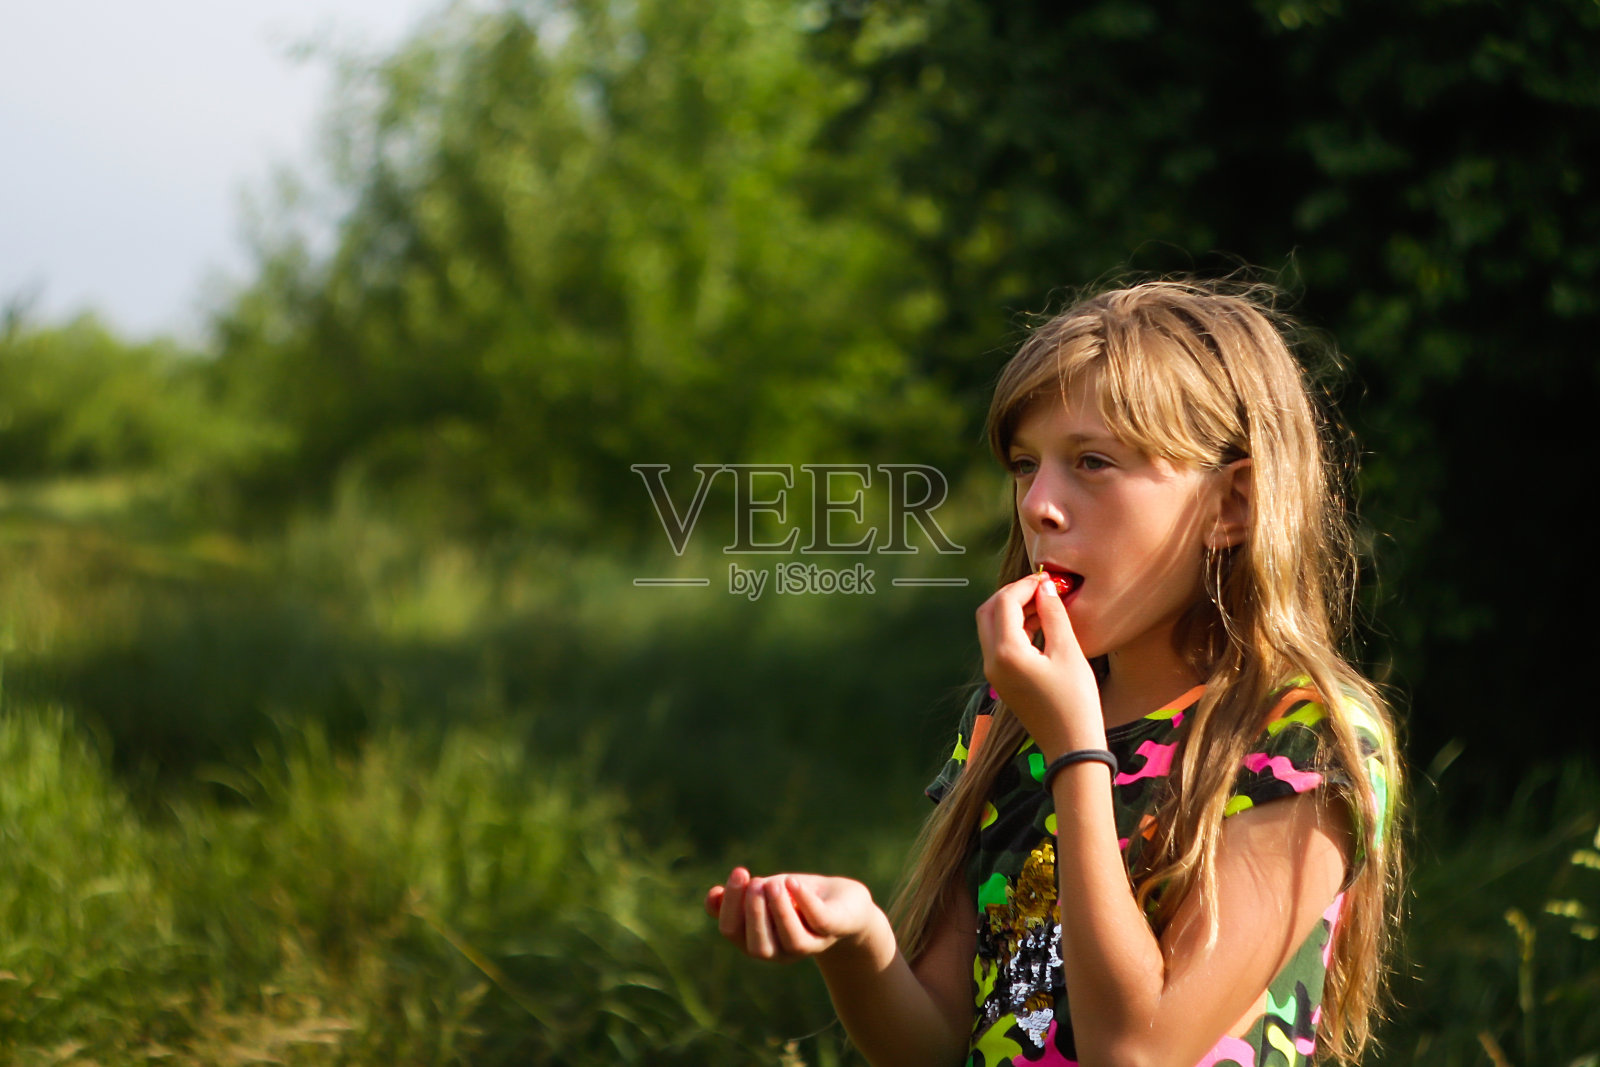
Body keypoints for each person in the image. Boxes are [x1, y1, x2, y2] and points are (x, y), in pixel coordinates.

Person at [705, 279, 1403, 1067]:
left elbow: (1135, 1051)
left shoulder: (1302, 737)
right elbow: (935, 1043)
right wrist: (858, 937)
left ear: (1231, 504)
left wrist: (1075, 748)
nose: (1039, 504)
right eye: (1024, 465)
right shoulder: (1010, 715)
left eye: (1093, 461)